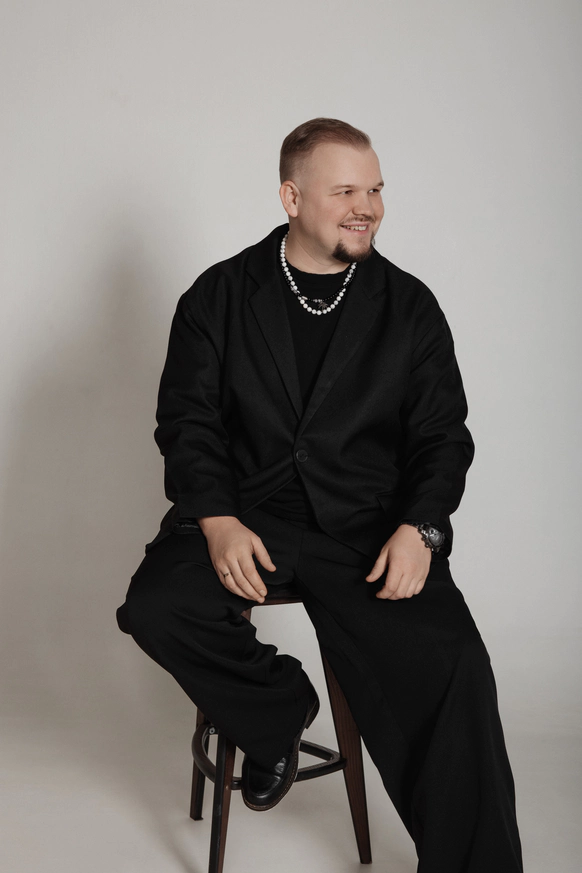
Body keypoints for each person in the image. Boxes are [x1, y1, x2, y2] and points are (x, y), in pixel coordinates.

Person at [116, 118, 524, 871]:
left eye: (375, 190)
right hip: (248, 513)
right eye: (345, 191)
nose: (366, 206)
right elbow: (188, 423)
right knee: (156, 606)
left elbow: (443, 437)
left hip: (367, 527)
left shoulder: (410, 307)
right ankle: (279, 710)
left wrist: (422, 528)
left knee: (457, 664)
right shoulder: (217, 295)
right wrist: (217, 519)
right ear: (291, 197)